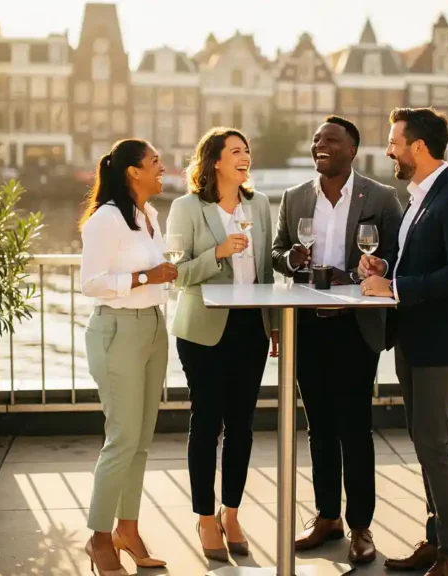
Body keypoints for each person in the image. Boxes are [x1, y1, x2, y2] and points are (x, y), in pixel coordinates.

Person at [359, 107, 448, 576]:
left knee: (435, 445)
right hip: (415, 339)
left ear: (417, 146)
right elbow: (414, 261)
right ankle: (435, 543)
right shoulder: (417, 197)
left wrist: (394, 289)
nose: (388, 150)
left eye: (394, 142)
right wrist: (383, 268)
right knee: (423, 442)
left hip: (442, 343)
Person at [272, 116, 402, 565]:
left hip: (355, 328)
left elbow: (397, 254)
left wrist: (378, 266)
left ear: (352, 149)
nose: (319, 145)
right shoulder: (294, 198)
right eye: (316, 140)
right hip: (307, 325)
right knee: (320, 427)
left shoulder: (381, 198)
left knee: (354, 428)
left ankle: (361, 526)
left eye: (330, 140)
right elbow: (277, 252)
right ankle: (328, 517)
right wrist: (290, 258)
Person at [166, 127, 278, 563]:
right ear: (214, 160)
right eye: (235, 151)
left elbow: (265, 271)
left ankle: (231, 512)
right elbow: (176, 272)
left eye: (247, 150)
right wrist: (217, 252)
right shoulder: (187, 207)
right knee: (207, 422)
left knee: (243, 425)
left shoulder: (261, 205)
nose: (244, 156)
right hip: (204, 331)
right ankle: (204, 516)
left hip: (250, 330)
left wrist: (273, 326)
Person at [79, 139, 178, 575]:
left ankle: (128, 529)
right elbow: (92, 283)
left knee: (139, 442)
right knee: (121, 439)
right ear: (133, 172)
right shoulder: (105, 219)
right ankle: (99, 538)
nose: (163, 168)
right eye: (155, 162)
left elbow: (153, 274)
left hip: (154, 328)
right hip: (117, 330)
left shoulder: (149, 216)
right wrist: (144, 276)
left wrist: (162, 276)